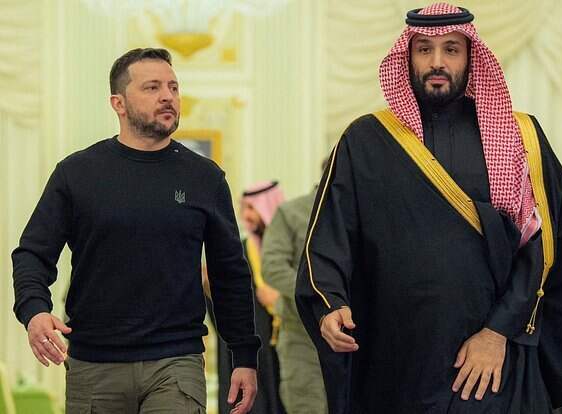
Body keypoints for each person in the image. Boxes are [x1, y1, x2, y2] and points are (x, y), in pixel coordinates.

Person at [295, 3, 562, 414]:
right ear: (407, 57)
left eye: (451, 49)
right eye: (424, 49)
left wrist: (497, 333)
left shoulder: (519, 137)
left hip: (493, 364)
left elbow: (542, 248)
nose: (437, 62)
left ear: (470, 56)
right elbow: (328, 238)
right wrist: (329, 306)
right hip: (398, 368)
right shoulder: (365, 141)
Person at [12, 48, 259, 414]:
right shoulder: (76, 174)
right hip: (94, 364)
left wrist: (244, 355)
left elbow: (230, 273)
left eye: (173, 87)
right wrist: (34, 311)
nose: (168, 96)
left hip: (176, 361)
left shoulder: (205, 178)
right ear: (119, 103)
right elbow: (33, 253)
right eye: (152, 87)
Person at [215, 181, 286, 414]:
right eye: (243, 208)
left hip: (285, 342)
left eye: (252, 208)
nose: (246, 215)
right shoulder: (241, 252)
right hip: (254, 345)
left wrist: (279, 300)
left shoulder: (290, 250)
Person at [262, 181, 328, 414]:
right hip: (303, 336)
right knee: (308, 405)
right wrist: (318, 296)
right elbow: (272, 267)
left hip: (356, 337)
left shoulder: (364, 213)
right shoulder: (292, 213)